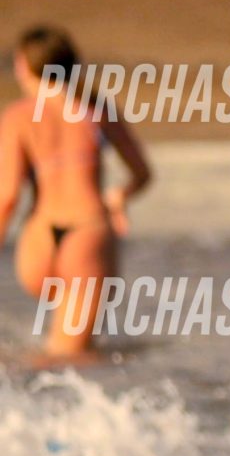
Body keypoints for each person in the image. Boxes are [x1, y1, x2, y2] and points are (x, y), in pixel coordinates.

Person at [3, 27, 151, 362]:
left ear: (24, 65)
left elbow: (8, 196)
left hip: (38, 240)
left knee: (50, 349)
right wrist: (119, 196)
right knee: (73, 358)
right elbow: (142, 173)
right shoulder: (95, 109)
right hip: (86, 234)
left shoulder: (17, 117)